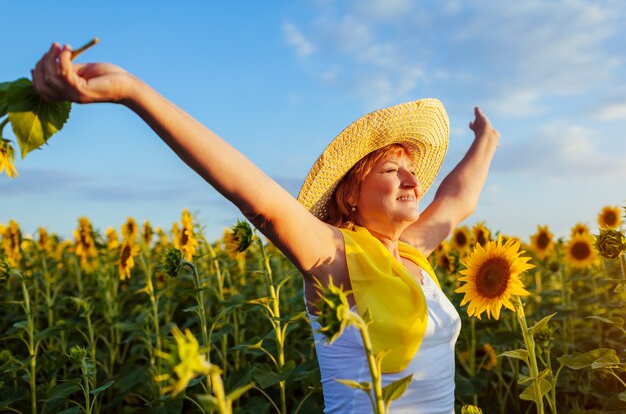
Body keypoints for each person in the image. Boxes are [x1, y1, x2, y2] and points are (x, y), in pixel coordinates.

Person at [32, 43, 499, 413]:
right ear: (350, 196)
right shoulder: (337, 258)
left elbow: (458, 198)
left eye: (413, 171)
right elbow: (256, 197)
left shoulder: (413, 253)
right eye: (391, 169)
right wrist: (133, 91)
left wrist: (487, 139)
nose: (412, 180)